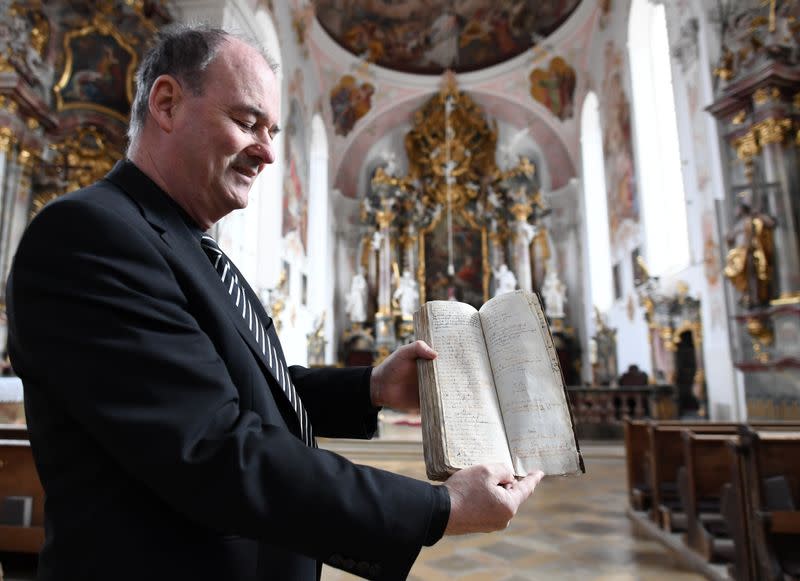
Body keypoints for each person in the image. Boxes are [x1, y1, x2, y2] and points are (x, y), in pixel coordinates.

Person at [5, 25, 543, 581]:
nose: (265, 152)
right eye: (246, 122)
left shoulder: (188, 247)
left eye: (272, 130)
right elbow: (212, 449)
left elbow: (243, 392)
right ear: (166, 103)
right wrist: (439, 508)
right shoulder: (91, 236)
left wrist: (370, 388)